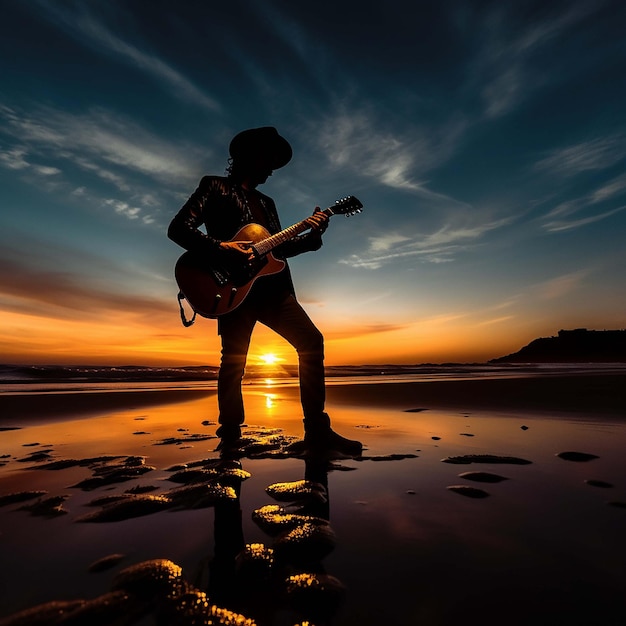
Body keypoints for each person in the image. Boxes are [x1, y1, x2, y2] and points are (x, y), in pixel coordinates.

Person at [168, 127, 362, 457]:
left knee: (312, 342)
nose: (271, 170)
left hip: (272, 290)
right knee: (233, 363)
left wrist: (314, 237)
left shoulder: (267, 203)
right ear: (248, 156)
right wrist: (224, 248)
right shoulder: (214, 186)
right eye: (268, 161)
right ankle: (230, 435)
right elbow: (179, 229)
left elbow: (276, 252)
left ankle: (317, 430)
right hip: (229, 289)